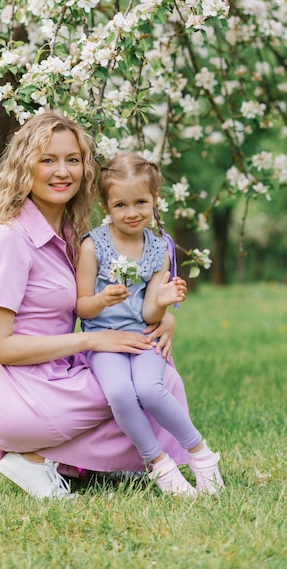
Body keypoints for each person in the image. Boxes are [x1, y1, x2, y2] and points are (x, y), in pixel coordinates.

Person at [0, 112, 197, 501]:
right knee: (151, 386)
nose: (63, 171)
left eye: (72, 159)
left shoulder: (73, 234)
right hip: (18, 386)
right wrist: (91, 343)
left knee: (149, 370)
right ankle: (31, 453)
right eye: (48, 160)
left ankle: (57, 461)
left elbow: (111, 303)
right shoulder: (11, 238)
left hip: (56, 371)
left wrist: (164, 320)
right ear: (24, 166)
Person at [76, 153, 224, 496]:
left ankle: (202, 455)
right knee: (120, 393)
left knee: (149, 389)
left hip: (143, 337)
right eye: (121, 204)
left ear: (155, 200)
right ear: (106, 206)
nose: (132, 212)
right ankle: (159, 464)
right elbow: (82, 306)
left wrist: (163, 300)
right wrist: (103, 300)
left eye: (141, 202)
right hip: (104, 339)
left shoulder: (159, 250)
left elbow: (149, 316)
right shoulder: (92, 246)